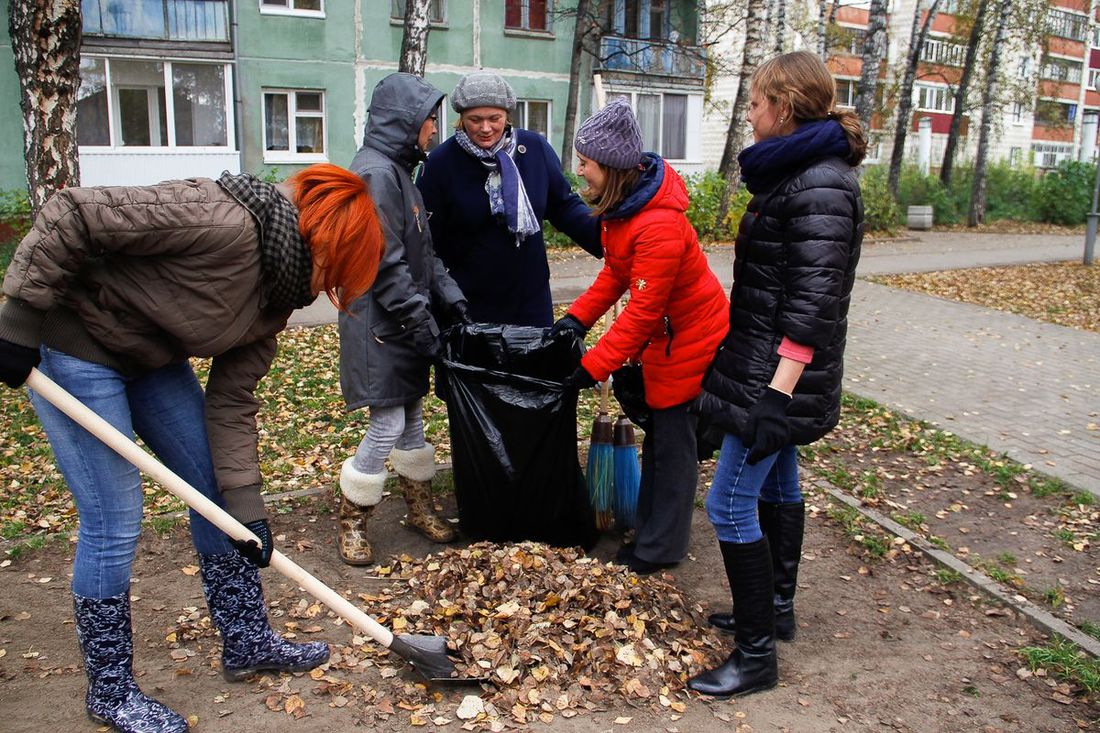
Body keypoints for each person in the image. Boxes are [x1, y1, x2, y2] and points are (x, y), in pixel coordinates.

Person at [0, 163, 384, 731]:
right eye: (341, 270)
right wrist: (18, 319)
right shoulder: (220, 219)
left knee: (215, 491)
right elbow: (74, 212)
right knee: (114, 517)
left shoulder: (277, 296)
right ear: (324, 239)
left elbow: (231, 403)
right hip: (76, 344)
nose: (332, 289)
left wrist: (249, 513)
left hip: (151, 359)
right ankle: (110, 690)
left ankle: (247, 640)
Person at [688, 50, 866, 698]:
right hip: (766, 366)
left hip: (777, 378)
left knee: (729, 502)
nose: (751, 112)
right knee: (778, 483)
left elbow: (811, 306)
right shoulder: (798, 174)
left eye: (758, 102)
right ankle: (777, 610)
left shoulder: (819, 183)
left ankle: (756, 655)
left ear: (784, 109)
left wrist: (774, 397)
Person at [549, 98, 729, 575]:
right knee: (663, 440)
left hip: (689, 341)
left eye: (585, 162)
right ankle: (651, 530)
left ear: (610, 166)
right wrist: (575, 321)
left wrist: (591, 368)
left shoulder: (659, 224)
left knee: (673, 447)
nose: (580, 170)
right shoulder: (627, 211)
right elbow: (616, 275)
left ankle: (659, 547)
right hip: (666, 338)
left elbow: (643, 312)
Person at [336, 72, 469, 566]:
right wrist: (422, 325)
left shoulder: (399, 173)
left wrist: (451, 299)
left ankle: (419, 507)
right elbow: (385, 265)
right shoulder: (374, 174)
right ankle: (351, 517)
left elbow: (424, 252)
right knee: (389, 419)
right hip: (379, 325)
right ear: (407, 121)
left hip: (398, 322)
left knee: (411, 413)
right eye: (431, 119)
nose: (435, 129)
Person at [417, 71, 601, 327]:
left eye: (495, 118)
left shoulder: (534, 149)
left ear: (507, 115)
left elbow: (564, 206)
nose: (485, 128)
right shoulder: (440, 165)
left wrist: (607, 236)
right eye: (475, 120)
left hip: (530, 304)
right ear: (461, 119)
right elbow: (426, 243)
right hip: (468, 308)